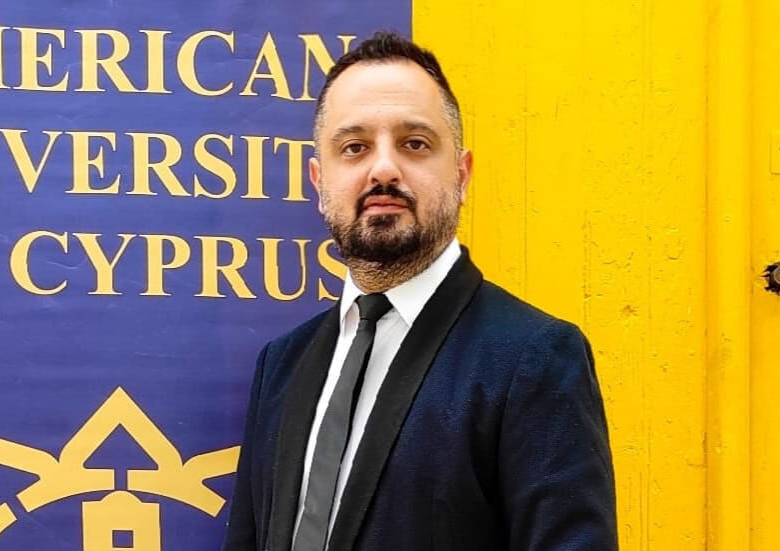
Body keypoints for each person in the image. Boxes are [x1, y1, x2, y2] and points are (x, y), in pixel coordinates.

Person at [222, 32, 617, 551]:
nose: (384, 169)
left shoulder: (535, 358)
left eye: (414, 144)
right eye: (354, 147)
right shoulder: (282, 364)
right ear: (318, 181)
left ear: (462, 174)